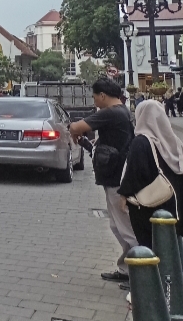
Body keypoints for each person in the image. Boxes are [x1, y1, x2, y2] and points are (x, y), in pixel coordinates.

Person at [70, 78, 137, 283]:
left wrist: (75, 131)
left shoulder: (111, 112)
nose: (94, 100)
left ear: (102, 95)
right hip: (117, 174)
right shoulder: (123, 111)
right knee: (118, 226)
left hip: (117, 177)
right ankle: (127, 269)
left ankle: (139, 273)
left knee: (125, 228)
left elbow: (76, 126)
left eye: (94, 95)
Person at [117, 100, 183, 248]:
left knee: (152, 246)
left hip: (149, 207)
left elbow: (134, 174)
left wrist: (123, 195)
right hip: (173, 202)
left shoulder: (141, 142)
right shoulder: (173, 140)